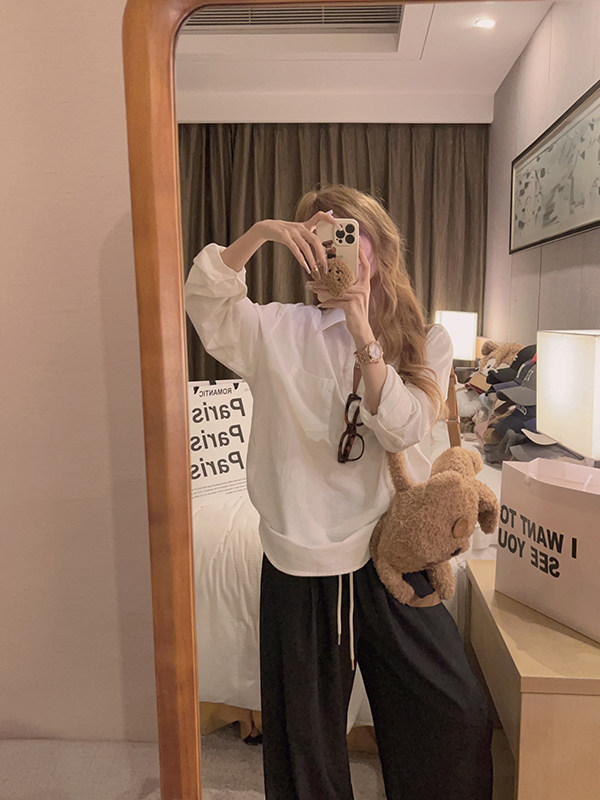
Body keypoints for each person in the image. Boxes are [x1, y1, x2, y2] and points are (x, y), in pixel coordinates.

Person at [184, 184, 493, 800]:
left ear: (377, 245)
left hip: (392, 549)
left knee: (454, 712)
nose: (336, 247)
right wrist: (261, 234)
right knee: (304, 739)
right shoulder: (278, 327)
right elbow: (207, 301)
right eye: (319, 235)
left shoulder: (426, 340)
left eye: (349, 234)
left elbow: (405, 428)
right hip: (299, 558)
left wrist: (361, 329)